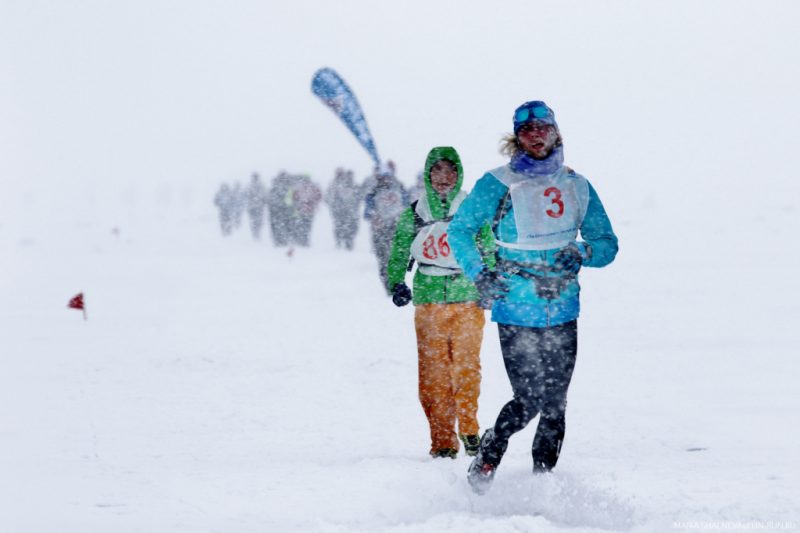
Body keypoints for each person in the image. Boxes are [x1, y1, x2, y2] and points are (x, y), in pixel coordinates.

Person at [448, 101, 618, 493]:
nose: (536, 135)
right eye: (527, 131)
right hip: (516, 306)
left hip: (563, 307)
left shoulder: (577, 185)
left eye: (543, 128)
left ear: (556, 132)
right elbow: (460, 231)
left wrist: (583, 252)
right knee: (528, 399)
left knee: (556, 402)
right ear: (516, 138)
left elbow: (607, 243)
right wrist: (480, 274)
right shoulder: (497, 183)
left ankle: (543, 481)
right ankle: (492, 449)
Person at [386, 147, 495, 459]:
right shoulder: (415, 213)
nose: (444, 178)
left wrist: (488, 280)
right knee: (434, 373)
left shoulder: (472, 209)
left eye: (450, 172)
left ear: (458, 174)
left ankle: (469, 428)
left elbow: (487, 246)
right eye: (437, 171)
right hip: (429, 300)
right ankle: (443, 440)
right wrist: (396, 282)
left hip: (467, 298)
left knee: (466, 367)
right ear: (428, 175)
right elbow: (399, 251)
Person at [363, 161, 408, 287]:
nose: (386, 180)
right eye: (384, 177)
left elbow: (407, 206)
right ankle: (387, 283)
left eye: (388, 177)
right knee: (382, 258)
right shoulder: (373, 193)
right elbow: (367, 213)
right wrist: (374, 216)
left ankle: (396, 282)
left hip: (396, 228)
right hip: (380, 229)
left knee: (395, 257)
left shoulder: (399, 188)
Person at [324, 168, 361, 250]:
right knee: (339, 225)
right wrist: (333, 204)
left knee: (351, 226)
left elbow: (358, 197)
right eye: (338, 173)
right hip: (338, 210)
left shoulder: (353, 185)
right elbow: (327, 197)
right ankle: (339, 241)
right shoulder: (334, 184)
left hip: (350, 210)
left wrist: (355, 205)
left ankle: (349, 241)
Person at [246, 172, 268, 240]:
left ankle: (256, 232)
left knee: (256, 220)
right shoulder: (252, 185)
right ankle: (256, 232)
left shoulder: (252, 185)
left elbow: (265, 195)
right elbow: (265, 195)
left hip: (255, 206)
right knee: (256, 220)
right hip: (256, 206)